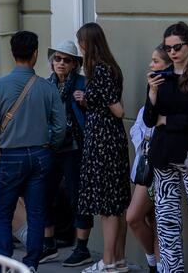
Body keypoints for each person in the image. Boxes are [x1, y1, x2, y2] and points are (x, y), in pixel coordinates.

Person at [0, 30, 66, 271]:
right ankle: (30, 264)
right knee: (37, 212)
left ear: (12, 53)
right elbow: (60, 126)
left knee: (2, 213)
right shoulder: (46, 88)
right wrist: (52, 145)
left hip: (10, 156)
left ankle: (5, 264)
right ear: (36, 54)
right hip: (41, 155)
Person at [144, 22, 188, 273]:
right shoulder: (160, 77)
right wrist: (151, 94)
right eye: (167, 47)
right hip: (163, 159)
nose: (172, 52)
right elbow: (150, 120)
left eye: (177, 47)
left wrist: (167, 120)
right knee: (167, 223)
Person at [75, 22, 130, 273]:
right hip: (111, 139)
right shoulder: (111, 66)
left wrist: (94, 101)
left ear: (87, 43)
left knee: (108, 205)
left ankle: (109, 262)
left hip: (102, 140)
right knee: (117, 202)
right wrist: (88, 101)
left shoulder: (99, 69)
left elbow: (117, 109)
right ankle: (117, 260)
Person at [41, 40, 93, 267]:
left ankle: (82, 248)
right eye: (57, 59)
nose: (61, 63)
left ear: (75, 64)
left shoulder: (83, 83)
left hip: (75, 148)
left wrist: (86, 102)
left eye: (67, 60)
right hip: (50, 147)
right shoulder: (45, 85)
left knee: (78, 197)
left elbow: (97, 115)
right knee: (44, 195)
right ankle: (49, 244)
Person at [127, 45, 171, 273]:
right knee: (148, 219)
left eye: (155, 61)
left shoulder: (170, 91)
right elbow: (141, 124)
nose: (150, 65)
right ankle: (156, 265)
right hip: (145, 163)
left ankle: (157, 265)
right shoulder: (153, 88)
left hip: (159, 166)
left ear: (167, 65)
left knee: (135, 217)